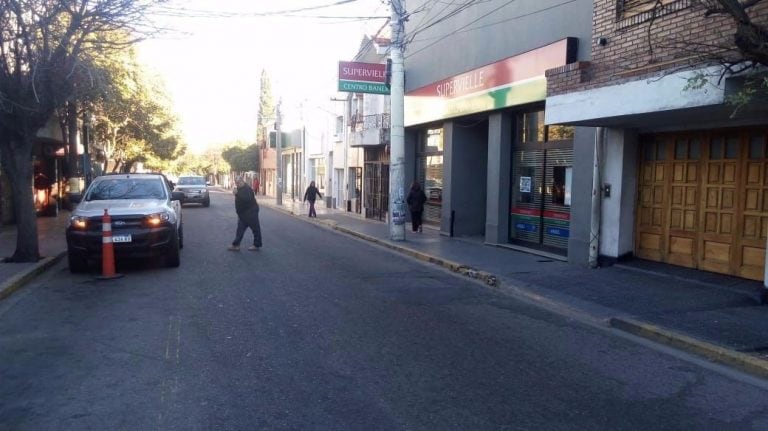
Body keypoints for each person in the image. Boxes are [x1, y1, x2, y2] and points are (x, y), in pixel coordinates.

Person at [228, 176, 262, 251]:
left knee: (255, 229)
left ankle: (256, 245)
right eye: (236, 183)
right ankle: (236, 245)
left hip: (250, 213)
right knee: (240, 229)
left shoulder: (247, 189)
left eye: (238, 183)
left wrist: (237, 194)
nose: (237, 184)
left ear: (242, 181)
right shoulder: (240, 188)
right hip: (243, 214)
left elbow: (247, 199)